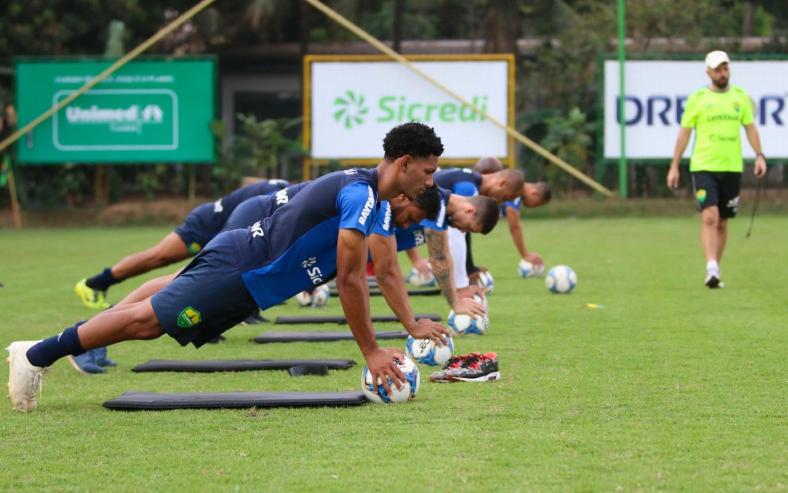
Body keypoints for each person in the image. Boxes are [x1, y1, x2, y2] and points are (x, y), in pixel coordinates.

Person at [6, 122, 443, 412]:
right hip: (240, 269)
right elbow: (350, 278)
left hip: (246, 272)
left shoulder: (367, 194)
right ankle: (36, 354)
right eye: (426, 171)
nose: (430, 182)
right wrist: (370, 351)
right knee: (145, 322)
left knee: (149, 316)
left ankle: (41, 351)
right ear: (403, 163)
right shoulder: (360, 195)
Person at [74, 178, 291, 309]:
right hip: (206, 224)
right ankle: (95, 284)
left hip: (227, 226)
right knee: (158, 258)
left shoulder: (290, 191)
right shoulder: (283, 196)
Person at [667, 50, 767, 288]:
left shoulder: (740, 97)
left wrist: (759, 155)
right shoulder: (698, 99)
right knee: (709, 216)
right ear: (708, 72)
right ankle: (710, 265)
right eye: (717, 69)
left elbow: (750, 128)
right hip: (703, 166)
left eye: (725, 68)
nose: (723, 73)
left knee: (722, 221)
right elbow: (684, 133)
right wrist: (674, 166)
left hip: (732, 167)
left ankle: (715, 272)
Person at [370, 188, 500, 325]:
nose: (462, 231)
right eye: (468, 227)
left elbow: (445, 256)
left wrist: (459, 288)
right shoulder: (437, 206)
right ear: (469, 211)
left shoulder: (440, 214)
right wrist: (456, 303)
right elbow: (439, 259)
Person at [432, 167, 524, 290]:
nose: (500, 201)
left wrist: (469, 268)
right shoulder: (468, 188)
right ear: (502, 183)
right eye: (505, 197)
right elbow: (456, 236)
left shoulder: (470, 178)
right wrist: (463, 284)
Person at [468, 157, 551, 279]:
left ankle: (467, 269)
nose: (533, 207)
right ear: (534, 193)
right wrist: (525, 255)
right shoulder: (515, 191)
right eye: (537, 204)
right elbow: (514, 226)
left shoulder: (513, 189)